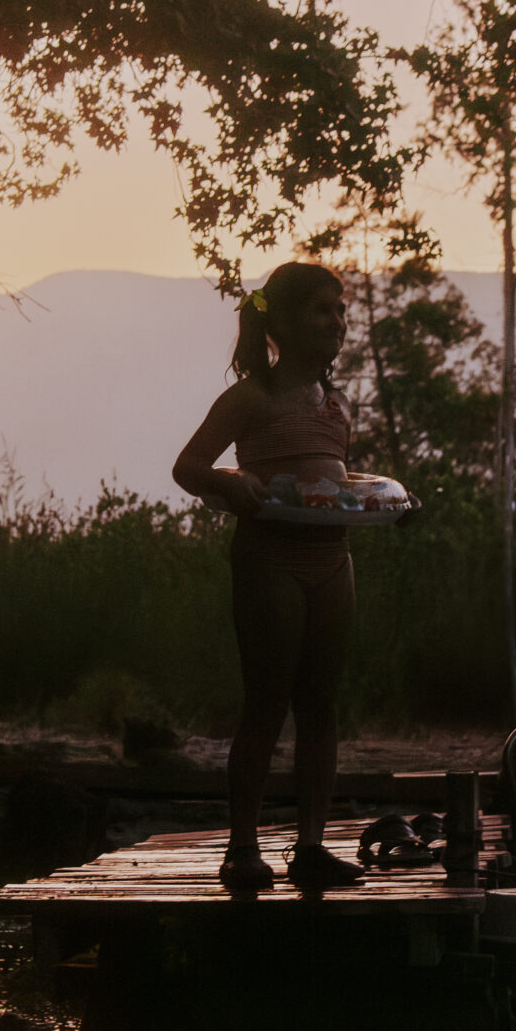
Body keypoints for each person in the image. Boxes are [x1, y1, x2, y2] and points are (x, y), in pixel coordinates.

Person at [173, 262, 366, 892]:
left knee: (321, 705)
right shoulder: (250, 397)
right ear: (278, 323)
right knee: (267, 703)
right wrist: (231, 483)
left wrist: (392, 502)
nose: (337, 321)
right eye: (321, 310)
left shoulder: (337, 405)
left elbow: (337, 483)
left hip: (333, 562)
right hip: (269, 562)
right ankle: (242, 847)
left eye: (341, 310)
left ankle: (311, 846)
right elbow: (188, 466)